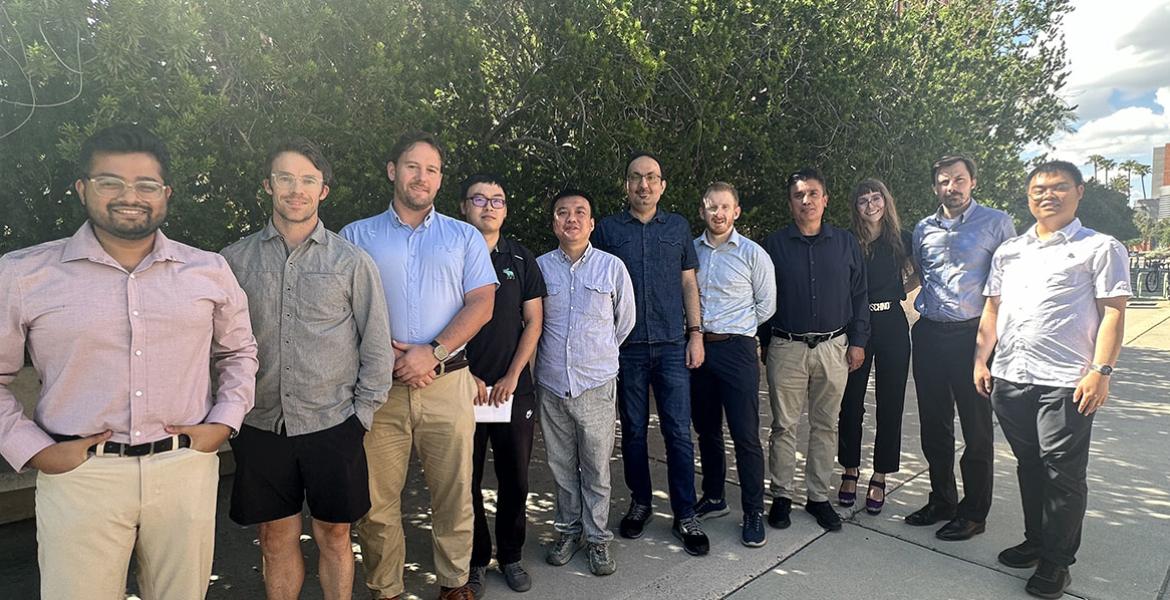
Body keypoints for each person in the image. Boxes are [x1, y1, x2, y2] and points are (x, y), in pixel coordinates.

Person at [0, 124, 258, 599]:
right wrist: (32, 449)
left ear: (166, 194)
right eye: (110, 182)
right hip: (80, 475)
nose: (129, 196)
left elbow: (239, 352)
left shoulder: (208, 271)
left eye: (145, 185)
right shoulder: (24, 275)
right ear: (82, 188)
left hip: (184, 468)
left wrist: (223, 423)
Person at [220, 138, 395, 600]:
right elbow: (218, 345)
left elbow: (376, 345)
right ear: (268, 185)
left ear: (323, 191)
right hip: (260, 425)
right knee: (274, 538)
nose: (296, 190)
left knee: (335, 536)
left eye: (308, 180)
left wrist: (362, 416)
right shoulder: (233, 262)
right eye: (285, 178)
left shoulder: (352, 262)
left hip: (334, 424)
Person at [341, 131, 498, 600]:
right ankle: (386, 590)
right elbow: (341, 308)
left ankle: (453, 583)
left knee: (455, 493)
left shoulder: (464, 236)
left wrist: (431, 352)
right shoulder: (356, 235)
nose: (421, 176)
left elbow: (482, 303)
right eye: (412, 166)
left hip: (447, 384)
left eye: (431, 169)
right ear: (393, 170)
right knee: (376, 503)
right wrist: (390, 357)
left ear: (440, 178)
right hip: (378, 389)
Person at [974, 161, 1129, 599]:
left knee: (1063, 474)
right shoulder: (1010, 250)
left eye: (1059, 187)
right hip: (1011, 376)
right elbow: (992, 309)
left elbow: (1114, 312)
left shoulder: (1099, 247)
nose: (1048, 195)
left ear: (1079, 192)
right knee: (1030, 466)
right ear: (1028, 197)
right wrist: (981, 360)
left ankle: (1058, 564)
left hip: (1066, 382)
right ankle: (1036, 540)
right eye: (1039, 189)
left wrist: (1101, 371)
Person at [592, 151, 710, 556]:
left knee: (679, 432)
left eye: (652, 177)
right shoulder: (607, 230)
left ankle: (684, 513)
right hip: (626, 350)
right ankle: (640, 502)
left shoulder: (677, 227)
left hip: (673, 346)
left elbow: (689, 285)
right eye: (636, 178)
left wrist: (696, 333)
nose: (644, 185)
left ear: (662, 185)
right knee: (635, 432)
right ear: (626, 185)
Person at [908, 155, 1015, 541]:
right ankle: (942, 500)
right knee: (934, 425)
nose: (950, 187)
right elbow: (922, 273)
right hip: (930, 334)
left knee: (976, 429)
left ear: (973, 182)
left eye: (958, 179)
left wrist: (993, 348)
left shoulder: (998, 223)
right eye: (942, 181)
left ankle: (974, 512)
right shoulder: (923, 228)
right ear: (935, 186)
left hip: (975, 337)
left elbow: (1008, 285)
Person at [759, 168, 869, 533]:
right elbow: (762, 298)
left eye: (813, 193)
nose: (806, 200)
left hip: (833, 348)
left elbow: (859, 295)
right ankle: (782, 496)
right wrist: (765, 343)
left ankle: (819, 496)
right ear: (790, 202)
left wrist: (858, 341)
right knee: (783, 426)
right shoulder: (773, 245)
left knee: (825, 425)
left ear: (825, 199)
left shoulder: (845, 244)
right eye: (799, 195)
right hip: (786, 347)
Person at [536, 190, 635, 577]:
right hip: (551, 384)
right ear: (554, 223)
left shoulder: (612, 268)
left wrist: (597, 358)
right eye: (563, 213)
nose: (571, 219)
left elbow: (623, 323)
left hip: (595, 385)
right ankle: (567, 531)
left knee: (596, 468)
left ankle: (597, 539)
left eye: (580, 213)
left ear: (592, 223)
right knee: (561, 466)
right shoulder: (540, 268)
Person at [458, 174, 546, 596]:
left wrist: (512, 376)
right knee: (465, 481)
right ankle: (475, 559)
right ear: (463, 207)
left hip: (514, 390)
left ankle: (510, 555)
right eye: (479, 199)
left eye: (497, 200)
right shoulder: (450, 253)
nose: (489, 206)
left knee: (516, 479)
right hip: (460, 388)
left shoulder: (522, 259)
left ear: (506, 209)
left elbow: (534, 322)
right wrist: (463, 374)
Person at [689, 182, 776, 547]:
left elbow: (766, 304)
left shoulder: (753, 254)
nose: (719, 214)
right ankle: (714, 496)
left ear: (736, 211)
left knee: (744, 434)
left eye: (725, 207)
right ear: (703, 212)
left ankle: (753, 510)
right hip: (697, 348)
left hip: (737, 350)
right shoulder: (690, 251)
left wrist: (740, 330)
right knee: (706, 429)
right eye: (712, 207)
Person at [836, 179, 917, 516]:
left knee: (890, 402)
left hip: (892, 324)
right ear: (856, 207)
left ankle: (880, 475)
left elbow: (919, 275)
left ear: (886, 201)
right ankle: (850, 470)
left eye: (876, 198)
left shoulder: (903, 238)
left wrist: (900, 289)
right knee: (851, 401)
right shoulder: (848, 241)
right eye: (863, 200)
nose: (870, 206)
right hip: (857, 325)